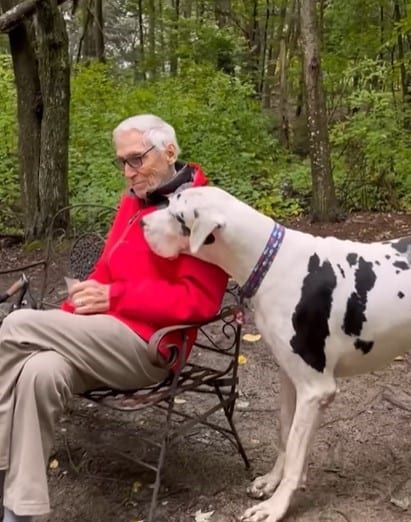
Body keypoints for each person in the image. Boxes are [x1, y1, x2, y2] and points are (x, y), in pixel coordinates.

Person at [0, 114, 228, 522]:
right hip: (99, 338)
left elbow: (199, 303)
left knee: (16, 324)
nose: (128, 172)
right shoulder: (132, 201)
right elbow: (104, 271)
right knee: (41, 370)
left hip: (149, 346)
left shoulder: (203, 210)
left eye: (136, 160)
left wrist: (117, 295)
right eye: (121, 162)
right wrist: (80, 304)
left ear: (169, 151)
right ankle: (22, 509)